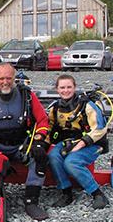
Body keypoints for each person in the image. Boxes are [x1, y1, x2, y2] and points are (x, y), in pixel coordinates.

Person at [0, 63, 50, 221]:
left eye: (9, 78)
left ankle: (31, 202)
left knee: (40, 157)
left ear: (14, 78)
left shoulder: (27, 97)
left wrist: (38, 141)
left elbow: (43, 121)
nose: (5, 82)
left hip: (20, 146)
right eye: (2, 78)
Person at [47, 74, 109, 209]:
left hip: (92, 143)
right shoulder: (55, 108)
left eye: (69, 87)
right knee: (53, 156)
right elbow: (48, 128)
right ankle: (66, 192)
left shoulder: (87, 106)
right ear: (57, 89)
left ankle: (97, 193)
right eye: (62, 87)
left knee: (71, 162)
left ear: (74, 88)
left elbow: (100, 129)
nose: (66, 90)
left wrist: (82, 143)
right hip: (69, 142)